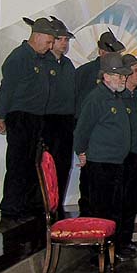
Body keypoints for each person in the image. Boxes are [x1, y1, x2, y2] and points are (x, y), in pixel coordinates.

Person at [0, 17, 58, 222]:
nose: (50, 46)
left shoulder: (41, 59)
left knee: (32, 164)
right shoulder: (19, 57)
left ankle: (27, 206)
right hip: (21, 117)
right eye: (48, 42)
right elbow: (6, 90)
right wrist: (1, 115)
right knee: (18, 164)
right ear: (37, 36)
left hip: (36, 118)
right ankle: (11, 208)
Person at [73, 52, 133, 251]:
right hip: (101, 163)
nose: (123, 79)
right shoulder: (96, 98)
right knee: (101, 211)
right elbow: (82, 130)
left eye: (124, 75)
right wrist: (81, 151)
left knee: (115, 209)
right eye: (119, 75)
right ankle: (99, 254)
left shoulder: (116, 97)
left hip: (116, 162)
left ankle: (112, 250)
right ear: (106, 76)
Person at [44, 17, 76, 218]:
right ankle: (44, 207)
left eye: (66, 39)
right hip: (48, 120)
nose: (64, 43)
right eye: (60, 39)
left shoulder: (68, 64)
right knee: (47, 166)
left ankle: (57, 206)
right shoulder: (43, 62)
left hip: (66, 120)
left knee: (63, 165)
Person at [118, 54, 137, 256]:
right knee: (120, 201)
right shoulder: (119, 98)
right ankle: (117, 242)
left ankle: (126, 241)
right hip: (122, 157)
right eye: (135, 71)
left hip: (136, 154)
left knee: (131, 201)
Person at [75, 30, 125, 106]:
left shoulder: (121, 72)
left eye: (117, 54)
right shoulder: (86, 71)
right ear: (101, 52)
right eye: (112, 54)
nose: (115, 57)